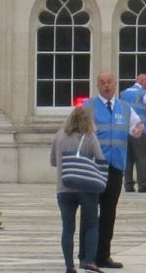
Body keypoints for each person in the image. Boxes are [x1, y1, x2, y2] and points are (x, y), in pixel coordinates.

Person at [87, 70, 136, 271]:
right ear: (98, 85)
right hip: (93, 166)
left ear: (115, 84)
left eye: (110, 82)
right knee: (90, 213)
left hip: (116, 167)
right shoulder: (88, 106)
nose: (107, 86)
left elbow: (135, 127)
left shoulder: (125, 107)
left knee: (109, 213)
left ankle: (103, 255)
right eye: (103, 82)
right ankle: (87, 255)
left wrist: (138, 130)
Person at [53, 102, 109, 273]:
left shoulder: (59, 135)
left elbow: (53, 161)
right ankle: (89, 261)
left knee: (68, 228)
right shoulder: (90, 137)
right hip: (87, 188)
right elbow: (100, 158)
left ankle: (69, 266)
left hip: (64, 187)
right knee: (92, 224)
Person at [123, 73, 146, 193]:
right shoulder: (143, 94)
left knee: (128, 159)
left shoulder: (123, 93)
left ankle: (128, 184)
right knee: (140, 158)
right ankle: (142, 184)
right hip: (138, 131)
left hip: (124, 130)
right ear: (142, 81)